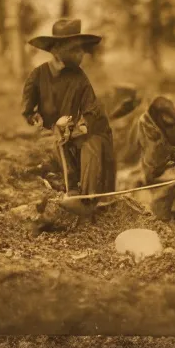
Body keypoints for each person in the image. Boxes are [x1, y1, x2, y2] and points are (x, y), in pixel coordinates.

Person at [21, 18, 116, 216]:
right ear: (57, 50)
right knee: (55, 146)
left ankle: (87, 200)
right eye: (75, 50)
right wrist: (36, 118)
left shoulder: (79, 76)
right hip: (51, 133)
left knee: (93, 143)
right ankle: (71, 188)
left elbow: (91, 109)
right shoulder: (38, 75)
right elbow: (29, 110)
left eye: (81, 50)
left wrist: (76, 128)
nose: (81, 54)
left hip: (75, 132)